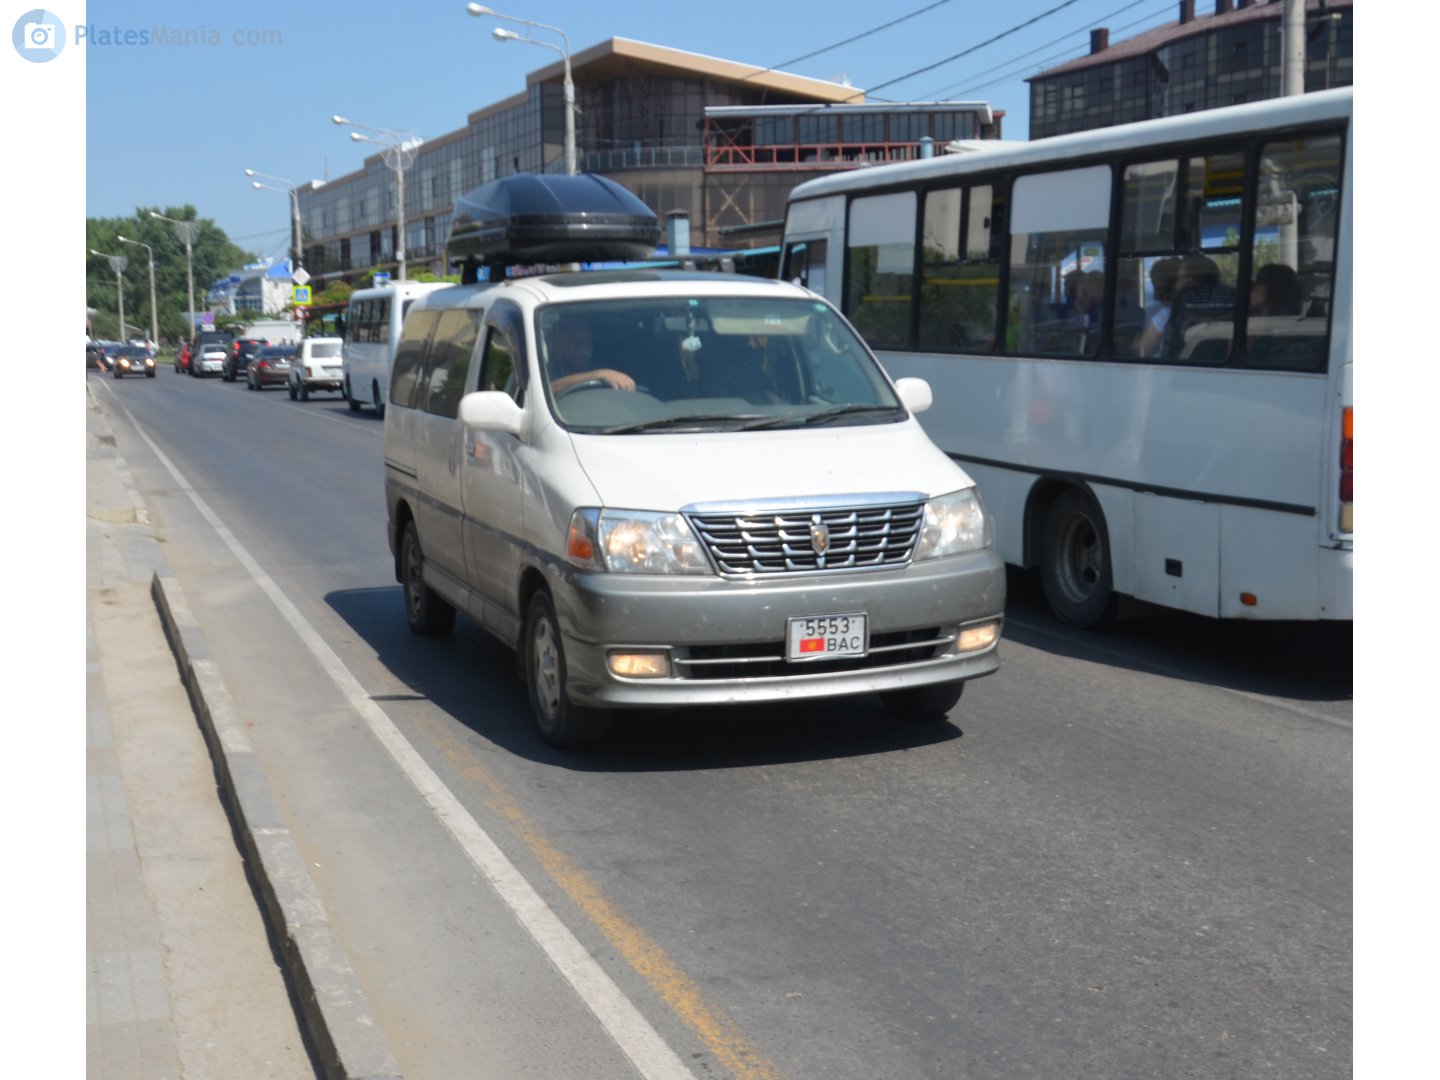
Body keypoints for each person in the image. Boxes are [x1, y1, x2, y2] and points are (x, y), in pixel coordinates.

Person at [546, 317, 635, 394]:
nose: (580, 344)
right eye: (571, 339)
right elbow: (548, 390)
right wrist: (597, 375)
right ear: (554, 346)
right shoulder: (545, 371)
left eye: (584, 338)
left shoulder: (604, 369)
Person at [1134, 256, 1182, 358]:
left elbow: (1143, 351)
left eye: (1159, 288)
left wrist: (1134, 340)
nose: (1156, 295)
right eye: (1154, 287)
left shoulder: (1165, 314)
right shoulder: (1154, 310)